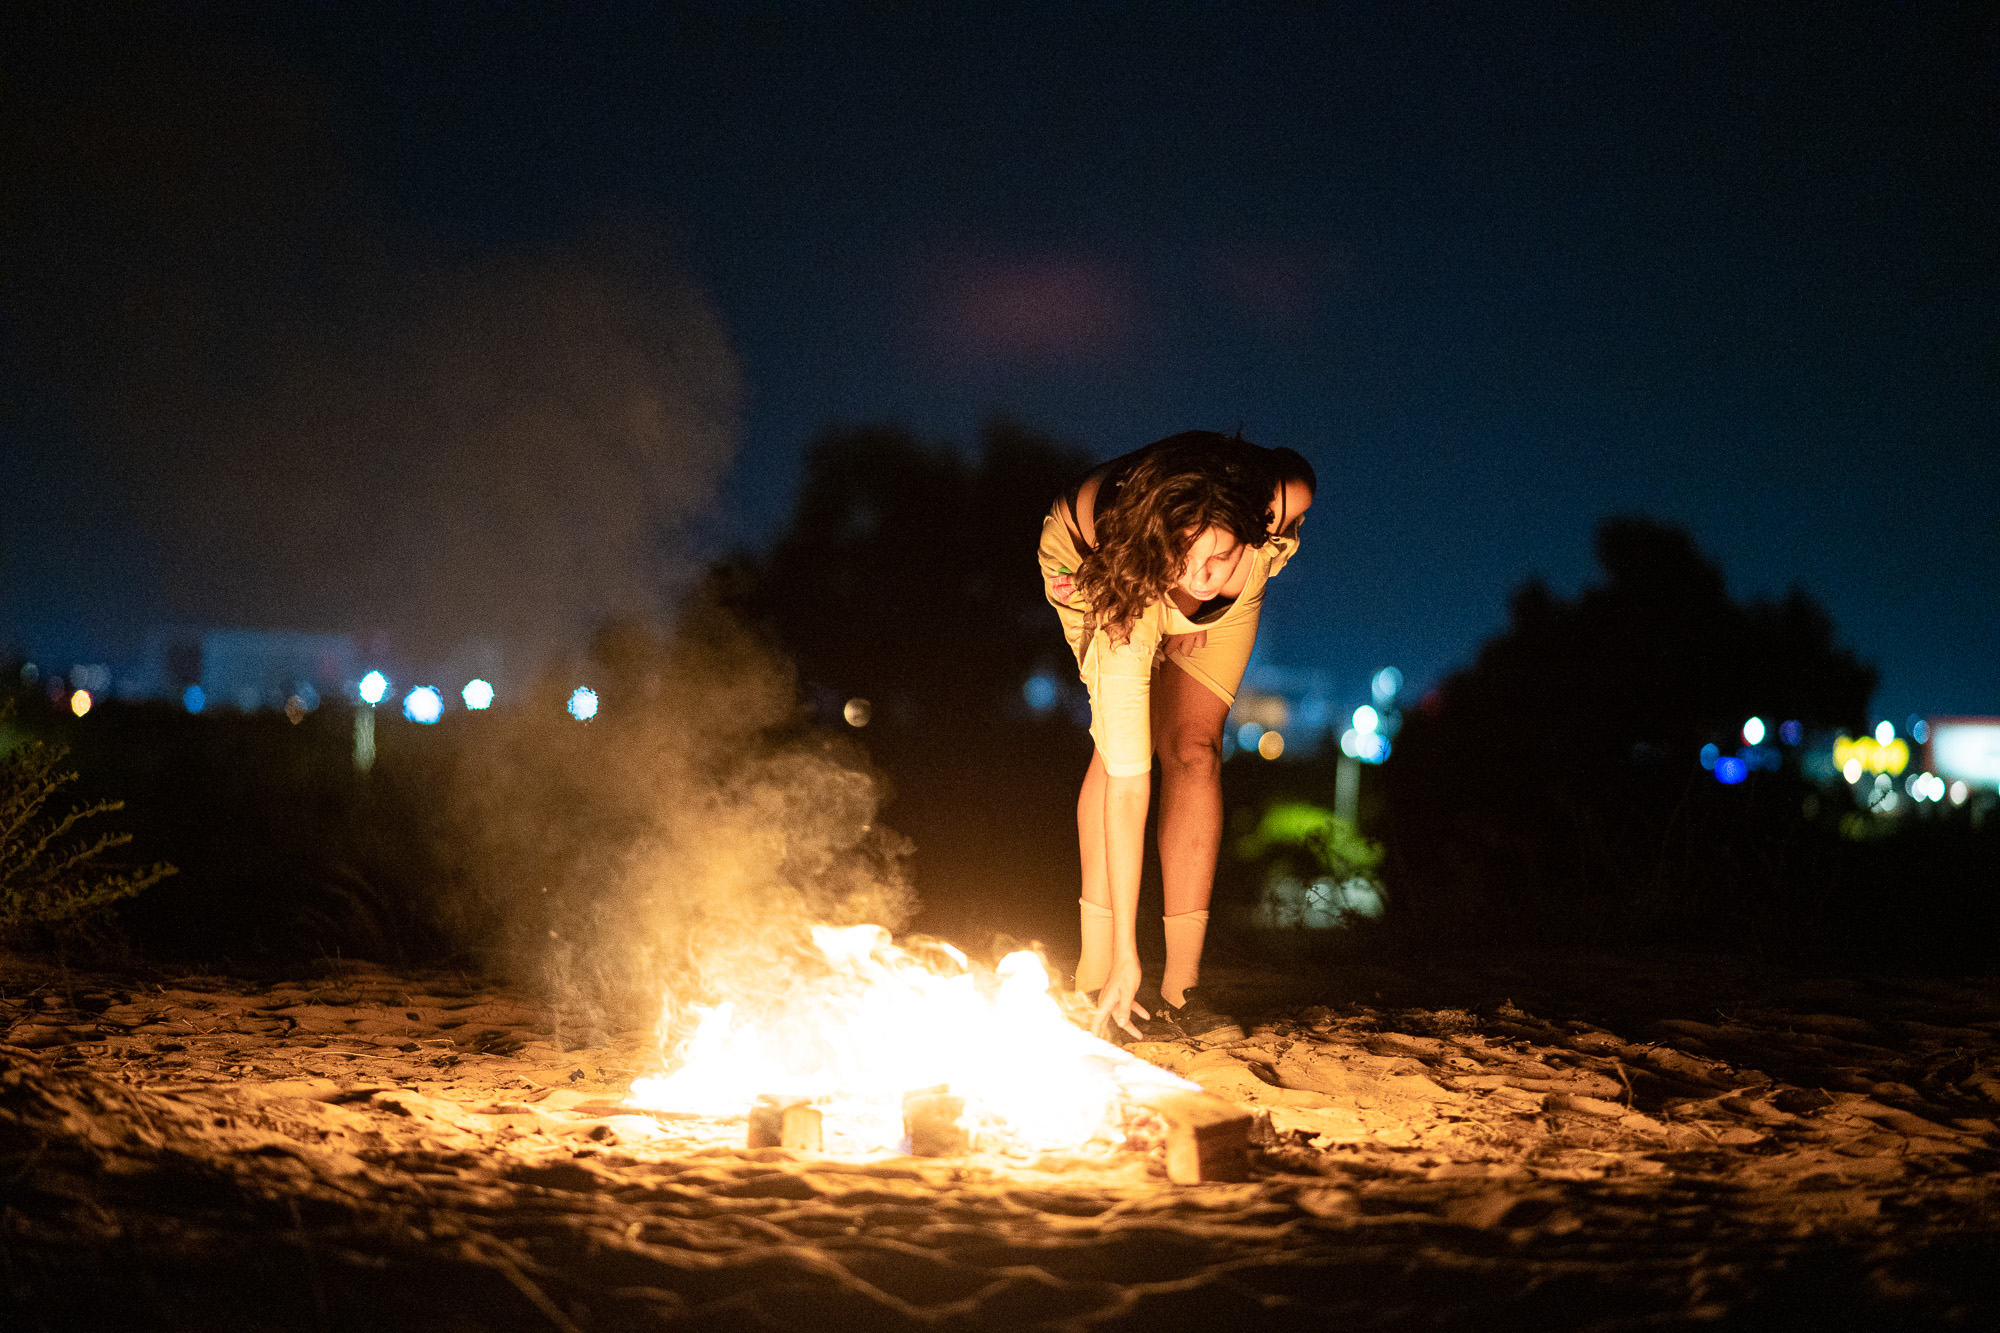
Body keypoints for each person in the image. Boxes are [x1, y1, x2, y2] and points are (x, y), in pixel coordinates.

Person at [1038, 430, 1314, 1043]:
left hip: (1194, 546)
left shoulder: (1278, 496)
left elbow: (1294, 476)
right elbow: (1131, 790)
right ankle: (1097, 976)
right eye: (1187, 568)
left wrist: (1197, 606)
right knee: (1120, 755)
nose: (1201, 577)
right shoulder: (1129, 602)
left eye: (1216, 559)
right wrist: (1126, 952)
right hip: (1105, 569)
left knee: (1193, 749)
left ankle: (1184, 989)